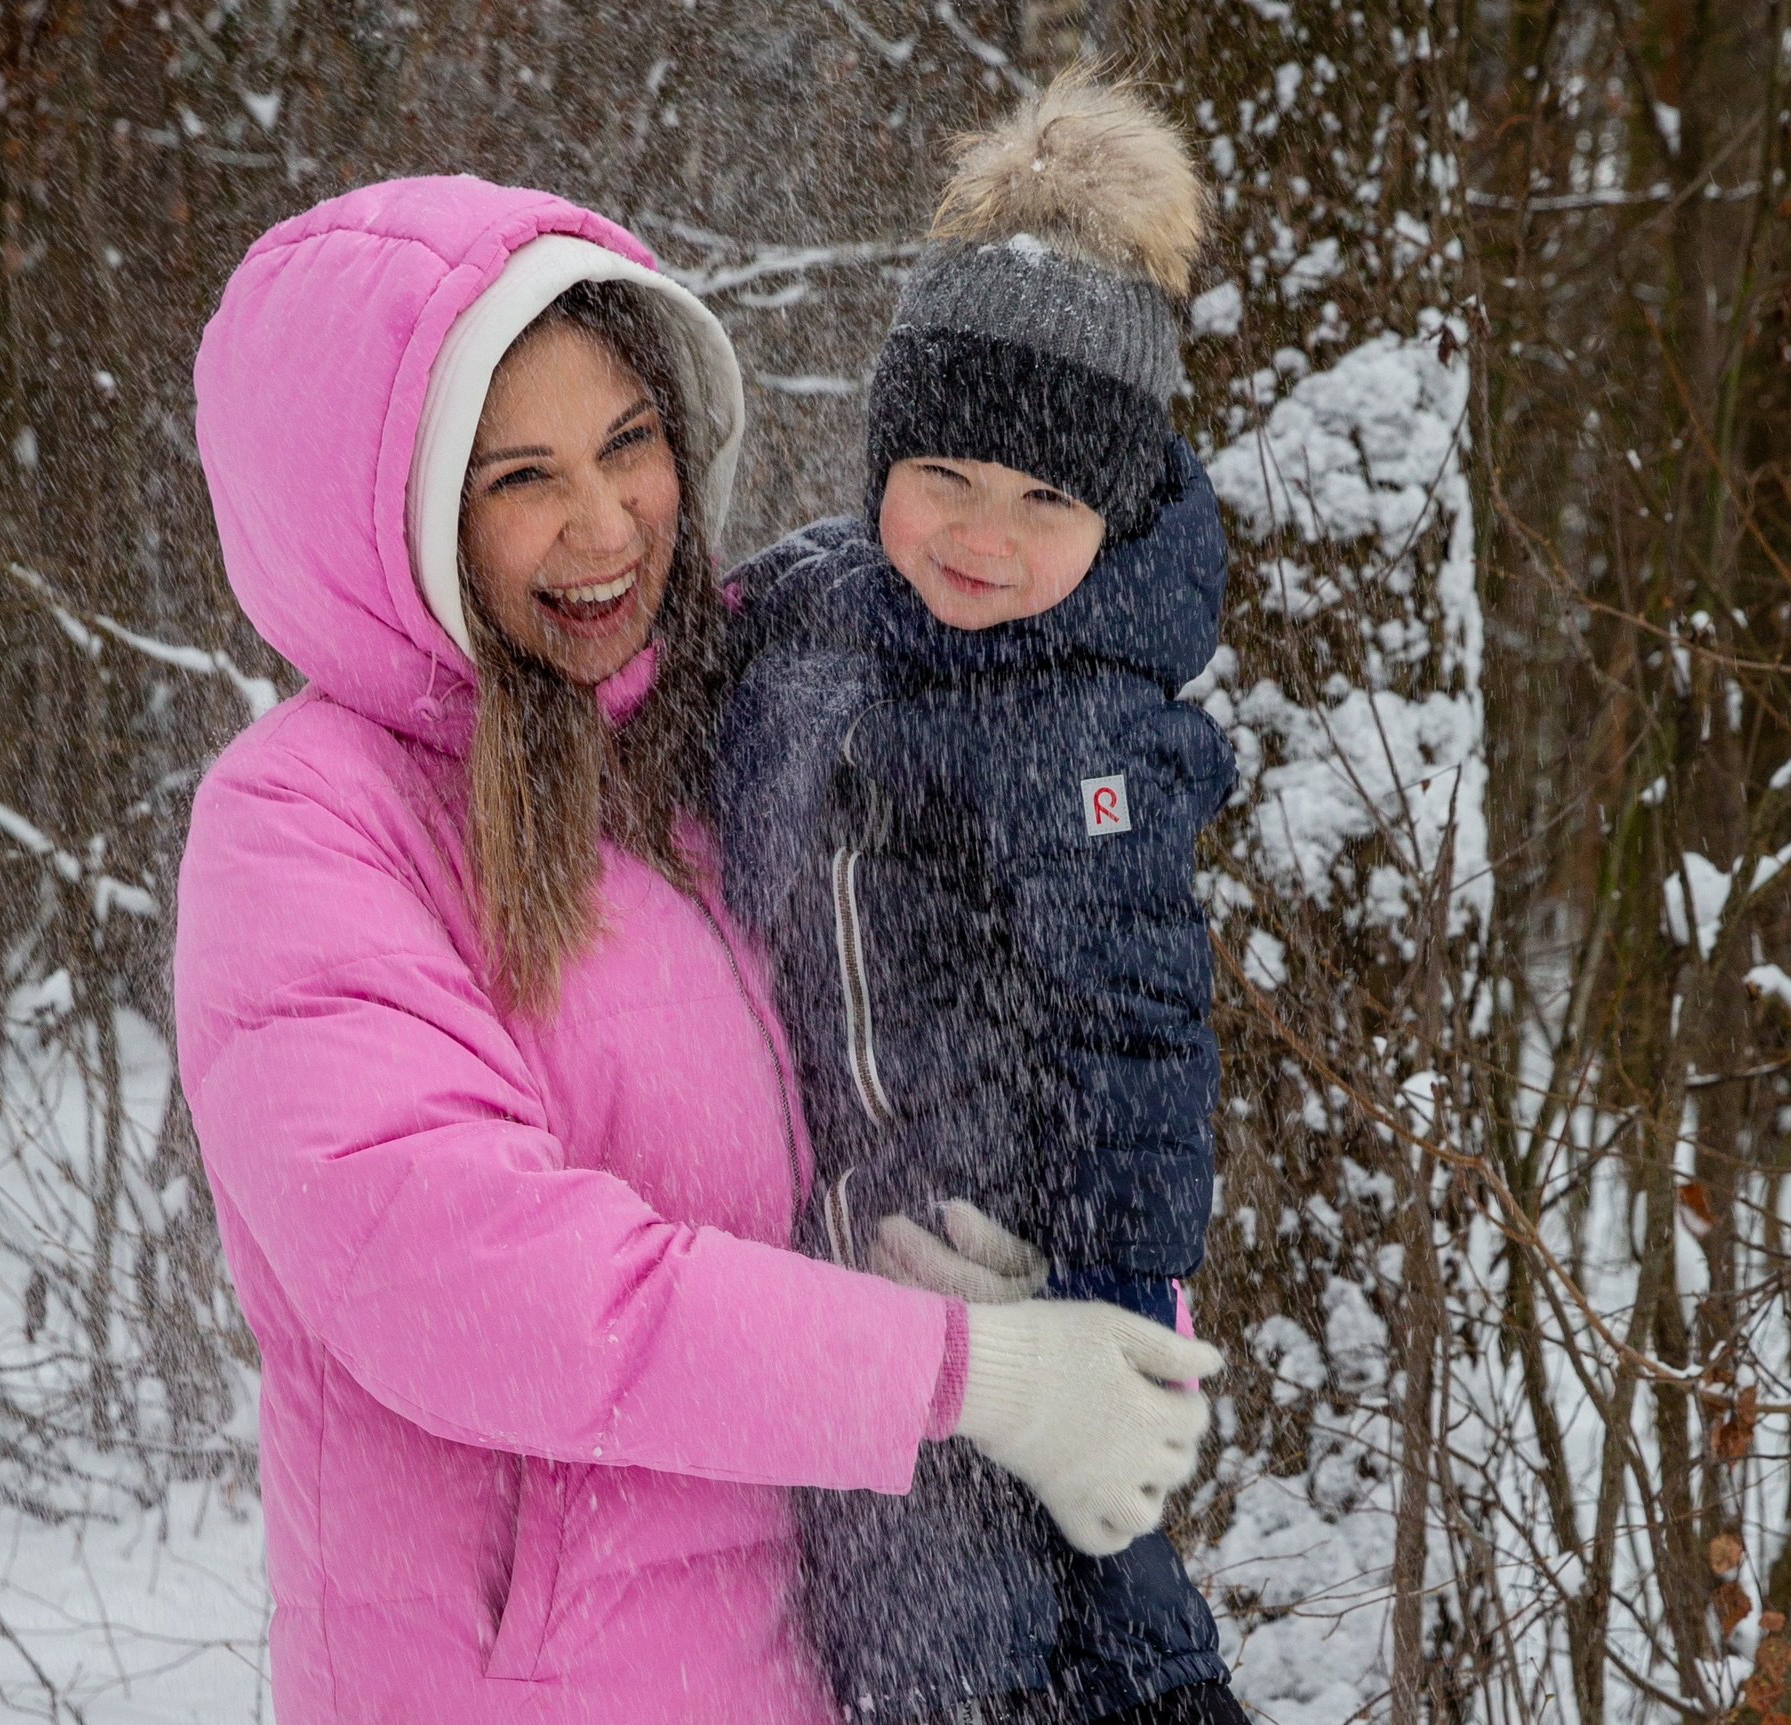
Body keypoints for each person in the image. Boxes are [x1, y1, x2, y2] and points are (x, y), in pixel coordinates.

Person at [175, 174, 1223, 1723]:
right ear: (383, 514)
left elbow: (968, 1038)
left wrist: (1086, 1305)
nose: (605, 527)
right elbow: (471, 1282)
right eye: (518, 476)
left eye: (629, 443)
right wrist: (964, 1371)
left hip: (815, 1665)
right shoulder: (310, 825)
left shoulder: (716, 739)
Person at [716, 72, 1244, 1725]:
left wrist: (1113, 1334)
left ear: (1112, 513)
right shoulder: (815, 614)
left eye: (1046, 502)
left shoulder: (1084, 734)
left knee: (990, 1652)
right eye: (942, 470)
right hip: (816, 1267)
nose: (982, 538)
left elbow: (1138, 1046)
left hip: (983, 1271)